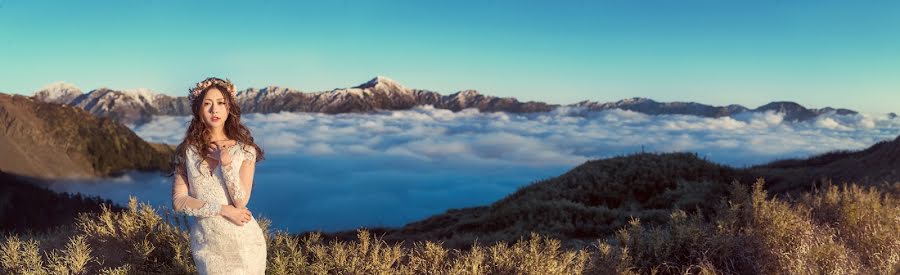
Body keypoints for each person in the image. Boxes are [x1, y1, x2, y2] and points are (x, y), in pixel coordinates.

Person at [170, 77, 267, 274]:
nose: (215, 110)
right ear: (198, 110)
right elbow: (179, 202)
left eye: (221, 103)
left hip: (245, 244)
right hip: (208, 247)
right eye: (207, 104)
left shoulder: (246, 151)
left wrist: (226, 162)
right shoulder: (187, 152)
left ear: (229, 108)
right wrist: (224, 210)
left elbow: (240, 201)